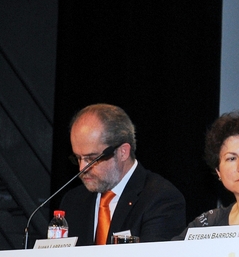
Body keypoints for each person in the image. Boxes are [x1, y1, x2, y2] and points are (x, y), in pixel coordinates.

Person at [60, 104, 186, 245]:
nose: (82, 168)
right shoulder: (73, 202)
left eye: (91, 159)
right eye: (78, 158)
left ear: (123, 152)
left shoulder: (160, 199)